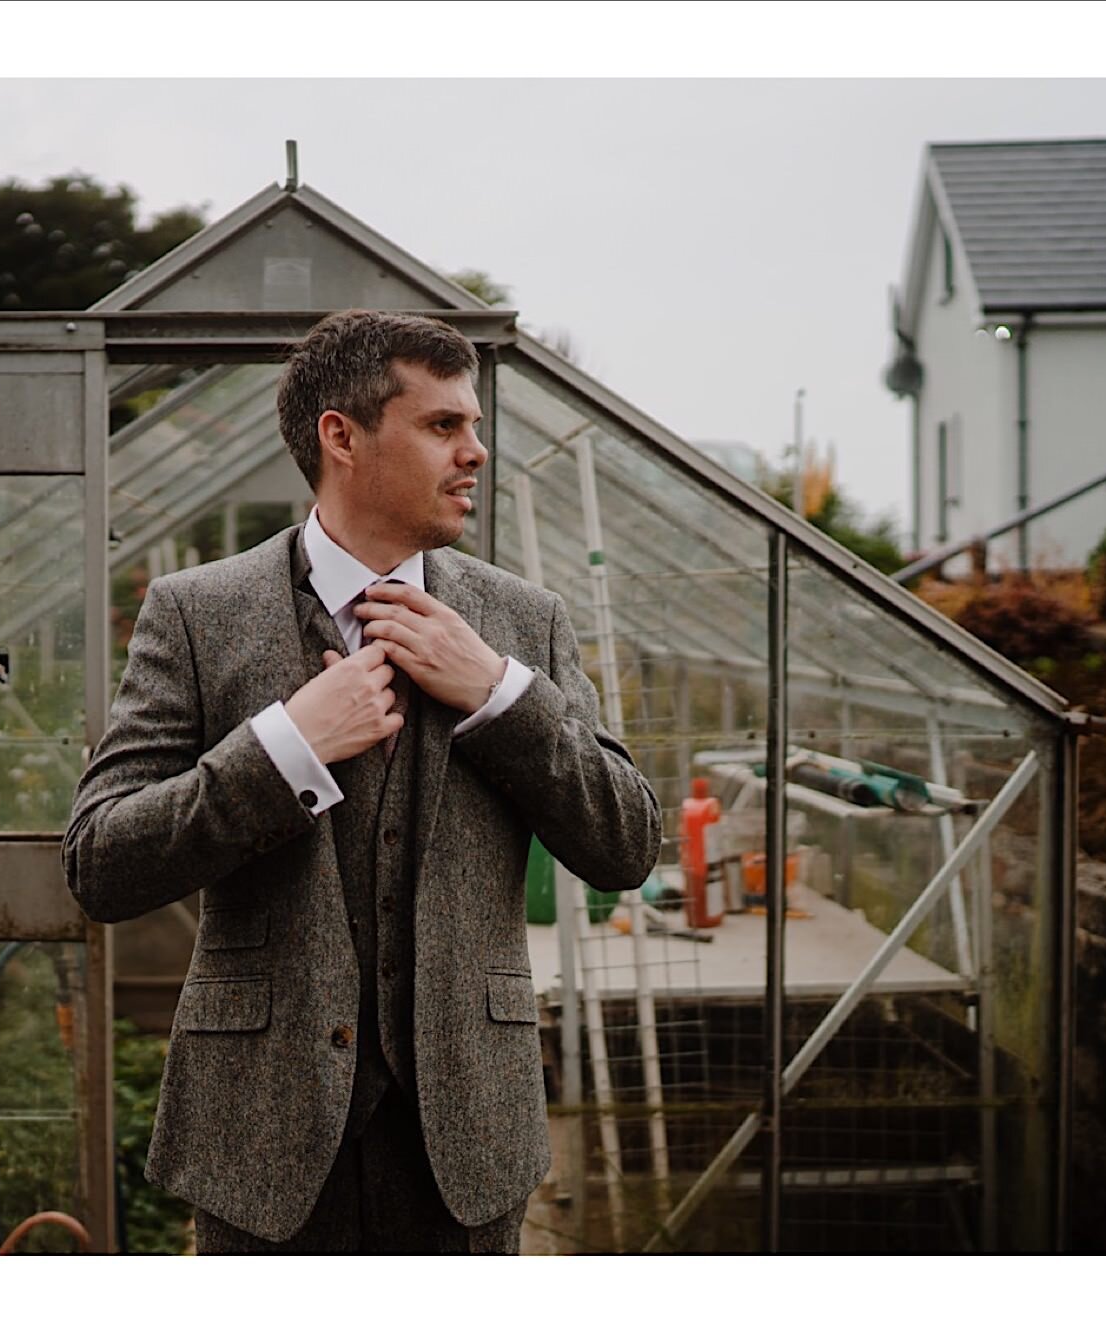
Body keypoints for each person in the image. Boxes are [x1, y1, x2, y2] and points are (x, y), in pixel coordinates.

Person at [64, 310, 662, 1254]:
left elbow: (627, 844)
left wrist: (501, 695)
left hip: (467, 1142)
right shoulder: (197, 613)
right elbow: (100, 862)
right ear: (341, 436)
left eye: (473, 424)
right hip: (259, 1146)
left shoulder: (524, 622)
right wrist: (284, 748)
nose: (476, 451)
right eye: (442, 425)